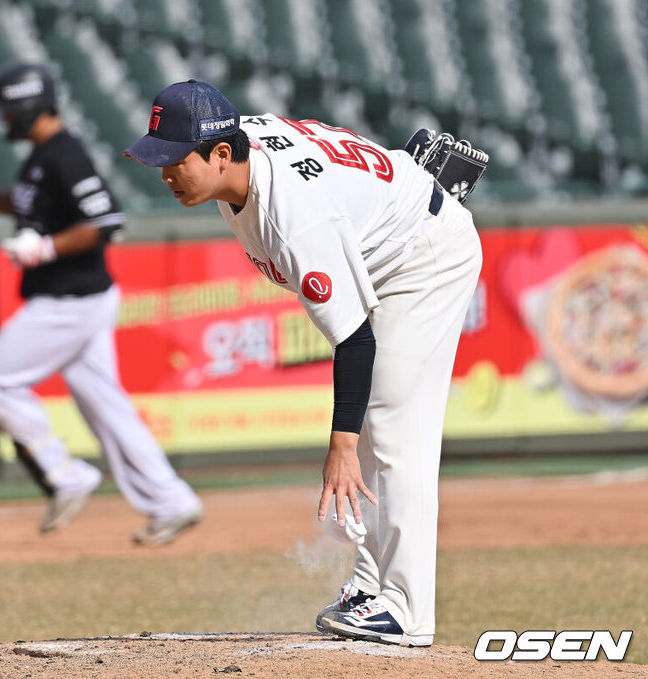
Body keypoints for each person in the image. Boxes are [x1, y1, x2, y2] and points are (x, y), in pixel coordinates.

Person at [123, 80, 483, 646]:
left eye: (175, 159)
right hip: (392, 234)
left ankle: (407, 608)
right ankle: (370, 586)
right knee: (372, 421)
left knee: (390, 426)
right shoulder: (240, 162)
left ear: (221, 154)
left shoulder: (294, 221)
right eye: (159, 157)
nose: (165, 172)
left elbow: (355, 341)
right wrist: (390, 186)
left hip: (425, 258)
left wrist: (339, 446)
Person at [0, 63, 203, 545]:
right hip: (79, 297)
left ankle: (64, 474)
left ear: (26, 107)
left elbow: (106, 221)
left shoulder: (66, 153)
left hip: (71, 299)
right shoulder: (44, 156)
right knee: (107, 407)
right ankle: (172, 500)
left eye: (7, 111)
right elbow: (26, 201)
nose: (2, 121)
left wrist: (46, 248)